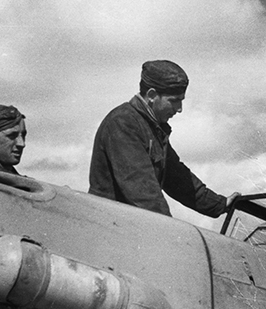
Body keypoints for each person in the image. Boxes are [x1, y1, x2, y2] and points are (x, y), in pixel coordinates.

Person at [88, 60, 238, 217]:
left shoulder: (152, 127)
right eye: (174, 100)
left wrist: (218, 204)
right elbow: (142, 191)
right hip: (109, 223)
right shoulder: (123, 123)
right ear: (152, 95)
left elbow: (177, 178)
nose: (179, 109)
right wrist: (170, 232)